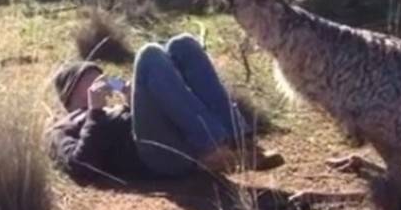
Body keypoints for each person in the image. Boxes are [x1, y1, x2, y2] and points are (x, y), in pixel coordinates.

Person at [49, 33, 283, 182]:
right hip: (154, 158)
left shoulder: (113, 109)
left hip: (175, 137)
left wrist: (133, 102)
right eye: (88, 79)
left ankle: (241, 142)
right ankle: (212, 148)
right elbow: (80, 167)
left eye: (99, 77)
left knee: (183, 45)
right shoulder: (62, 126)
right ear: (70, 91)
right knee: (149, 55)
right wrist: (95, 113)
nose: (99, 83)